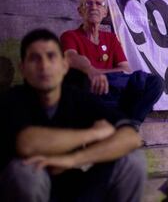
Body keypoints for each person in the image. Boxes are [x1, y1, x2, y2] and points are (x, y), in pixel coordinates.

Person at [0, 29, 146, 202]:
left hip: (75, 190)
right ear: (22, 68)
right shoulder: (12, 99)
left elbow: (131, 138)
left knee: (133, 160)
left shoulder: (77, 97)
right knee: (26, 172)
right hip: (35, 189)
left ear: (64, 66)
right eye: (34, 58)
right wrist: (94, 133)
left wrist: (72, 160)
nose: (44, 66)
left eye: (51, 56)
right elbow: (28, 144)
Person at [60, 0, 164, 125]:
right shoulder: (70, 36)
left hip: (114, 90)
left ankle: (131, 124)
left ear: (105, 12)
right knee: (80, 78)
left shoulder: (111, 38)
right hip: (91, 91)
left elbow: (125, 69)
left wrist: (99, 73)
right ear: (80, 11)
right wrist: (91, 72)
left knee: (155, 82)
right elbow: (71, 58)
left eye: (99, 4)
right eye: (88, 4)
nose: (94, 7)